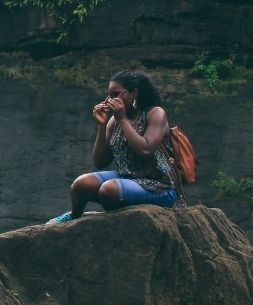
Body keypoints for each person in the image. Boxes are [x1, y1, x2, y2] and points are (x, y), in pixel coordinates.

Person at [48, 70, 184, 223]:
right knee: (81, 184)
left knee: (109, 189)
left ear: (134, 93)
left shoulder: (155, 114)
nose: (109, 100)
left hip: (160, 186)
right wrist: (102, 125)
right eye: (109, 95)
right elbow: (100, 162)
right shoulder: (114, 121)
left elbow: (145, 150)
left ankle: (115, 222)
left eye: (116, 94)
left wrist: (123, 119)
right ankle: (75, 218)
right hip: (127, 178)